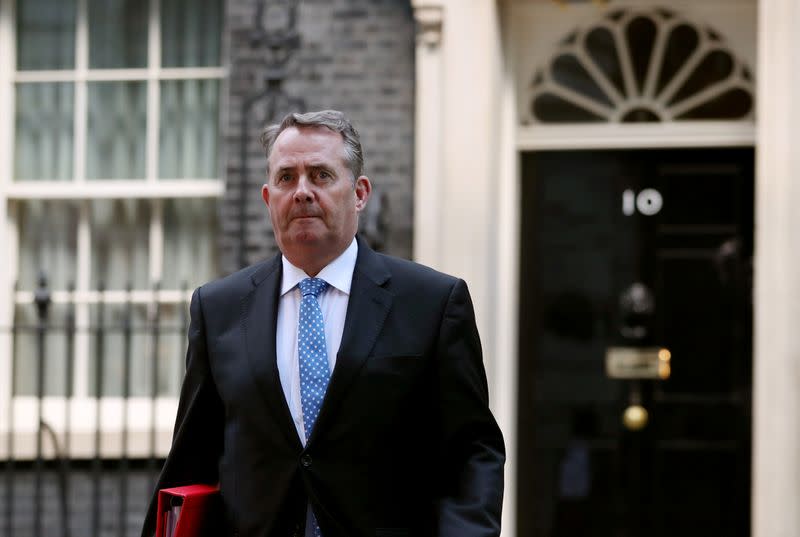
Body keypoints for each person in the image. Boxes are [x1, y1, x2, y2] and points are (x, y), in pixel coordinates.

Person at [141, 110, 505, 537]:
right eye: (286, 178)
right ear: (267, 198)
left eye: (320, 175)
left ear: (360, 193)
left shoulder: (432, 302)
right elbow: (192, 456)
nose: (302, 192)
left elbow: (471, 452)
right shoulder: (218, 307)